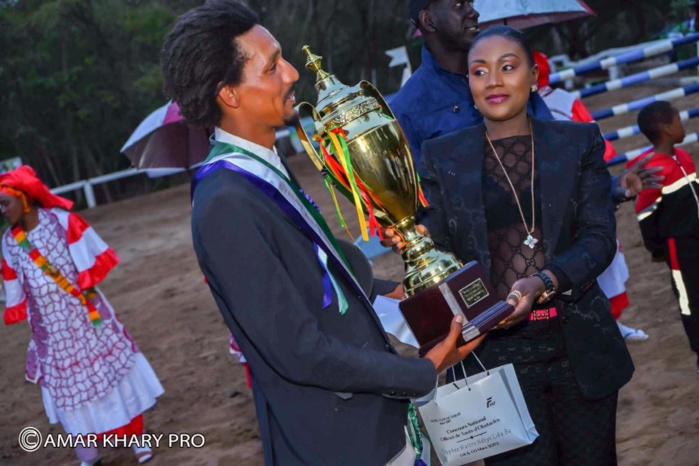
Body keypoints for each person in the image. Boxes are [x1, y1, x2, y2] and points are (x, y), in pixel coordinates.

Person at [160, 2, 482, 465]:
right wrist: (422, 371)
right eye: (272, 67)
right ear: (228, 94)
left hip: (370, 425)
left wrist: (389, 287)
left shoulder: (260, 166)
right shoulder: (225, 202)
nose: (292, 74)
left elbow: (306, 272)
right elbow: (297, 348)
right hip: (340, 443)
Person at [395, 26, 634, 464]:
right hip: (493, 357)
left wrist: (543, 281)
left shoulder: (576, 142)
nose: (494, 81)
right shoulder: (440, 157)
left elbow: (599, 239)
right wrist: (415, 240)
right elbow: (440, 248)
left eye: (508, 67)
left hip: (578, 344)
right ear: (467, 84)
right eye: (479, 71)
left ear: (534, 76)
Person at [0, 166, 164, 466]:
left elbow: (91, 266)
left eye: (4, 203)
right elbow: (14, 291)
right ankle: (88, 455)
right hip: (52, 334)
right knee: (68, 391)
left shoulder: (64, 222)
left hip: (87, 320)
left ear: (24, 199)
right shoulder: (9, 243)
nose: (1, 211)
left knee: (113, 375)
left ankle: (138, 442)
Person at [533, 50, 650, 342]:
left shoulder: (512, 108)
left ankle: (607, 328)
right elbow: (601, 147)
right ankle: (608, 326)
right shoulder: (563, 100)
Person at [389, 0, 554, 167]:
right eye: (459, 5)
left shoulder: (508, 74)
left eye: (471, 3)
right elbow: (418, 188)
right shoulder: (406, 110)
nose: (474, 13)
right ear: (428, 21)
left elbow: (554, 144)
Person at [632, 100, 699, 374]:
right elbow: (645, 214)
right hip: (678, 248)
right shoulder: (653, 170)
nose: (683, 125)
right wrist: (657, 248)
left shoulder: (683, 157)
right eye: (679, 120)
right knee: (690, 299)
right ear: (669, 129)